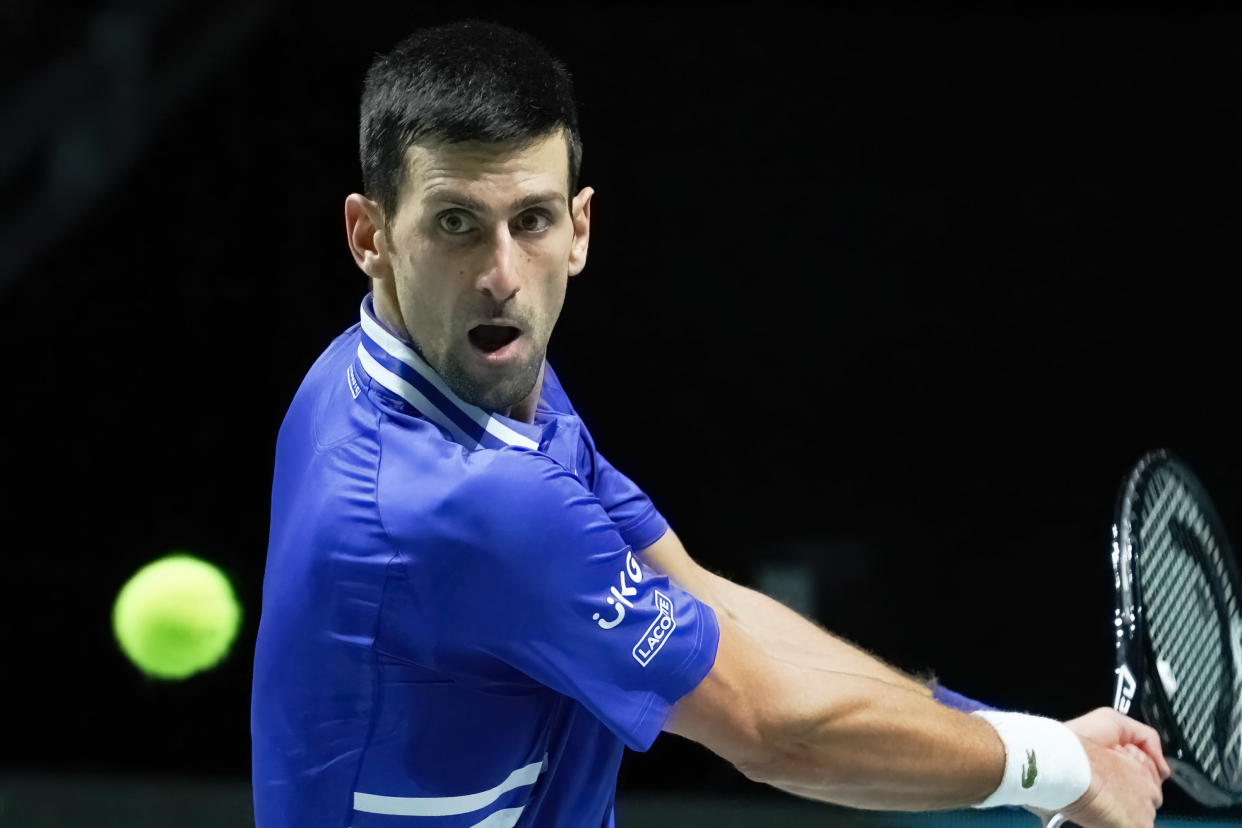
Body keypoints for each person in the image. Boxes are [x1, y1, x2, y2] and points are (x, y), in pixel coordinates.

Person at [250, 18, 1170, 828]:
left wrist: (1018, 736)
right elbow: (779, 734)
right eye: (456, 223)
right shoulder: (467, 501)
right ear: (369, 234)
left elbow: (701, 596)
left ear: (580, 228)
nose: (500, 273)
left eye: (528, 221)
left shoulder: (419, 374)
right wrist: (1061, 772)